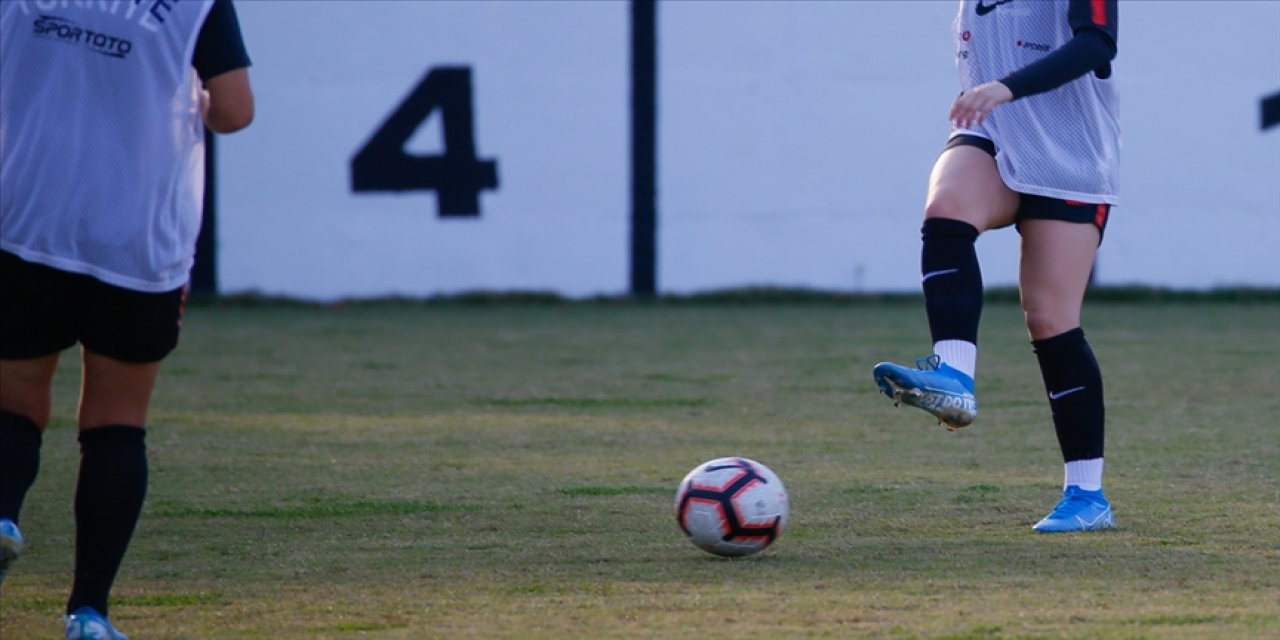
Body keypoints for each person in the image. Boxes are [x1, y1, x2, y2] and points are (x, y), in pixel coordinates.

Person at [0, 0, 253, 636]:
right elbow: (234, 109)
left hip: (25, 213)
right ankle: (88, 612)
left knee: (12, 399)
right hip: (136, 232)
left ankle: (2, 510)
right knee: (116, 424)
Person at [872, 0, 1119, 533]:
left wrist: (1004, 86)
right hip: (993, 134)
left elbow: (1097, 42)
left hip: (1068, 154)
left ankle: (1087, 494)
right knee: (946, 210)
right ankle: (954, 372)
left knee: (1051, 321)